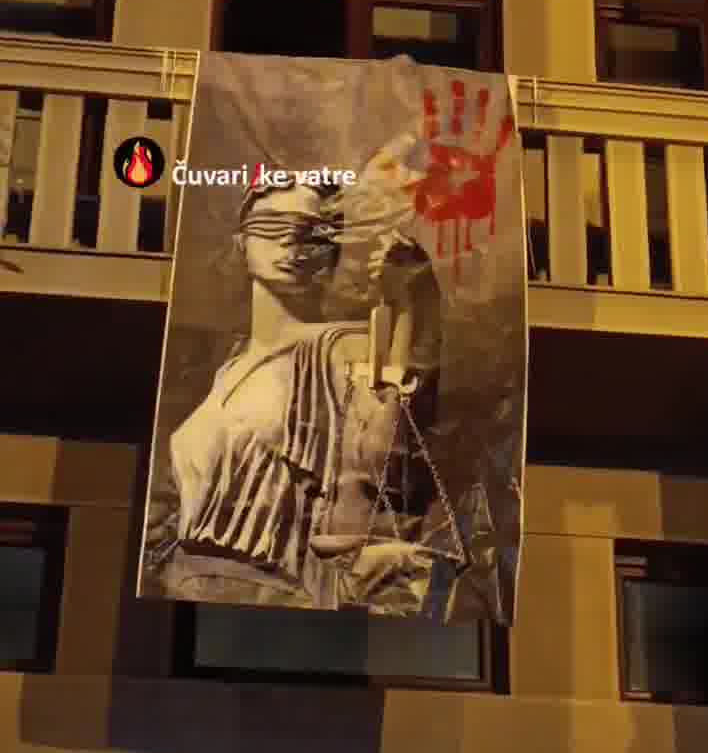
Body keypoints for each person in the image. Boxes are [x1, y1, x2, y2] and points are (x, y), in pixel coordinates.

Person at [143, 174, 467, 613]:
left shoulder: (344, 345)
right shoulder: (228, 367)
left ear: (330, 254)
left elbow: (386, 460)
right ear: (241, 243)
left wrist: (411, 305)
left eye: (311, 233)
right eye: (272, 227)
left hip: (276, 591)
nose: (290, 242)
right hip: (189, 592)